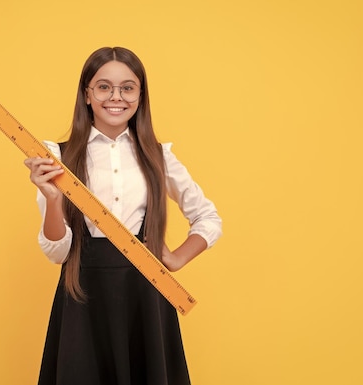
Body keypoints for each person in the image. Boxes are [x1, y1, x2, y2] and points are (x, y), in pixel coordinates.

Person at [24, 47, 222, 385]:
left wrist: (175, 259)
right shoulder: (59, 157)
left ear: (140, 96)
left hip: (145, 297)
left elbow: (208, 218)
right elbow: (57, 252)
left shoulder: (159, 157)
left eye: (127, 88)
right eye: (103, 87)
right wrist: (53, 200)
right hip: (83, 296)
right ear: (87, 94)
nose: (116, 97)